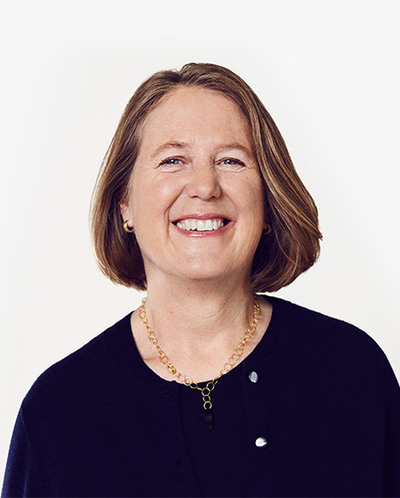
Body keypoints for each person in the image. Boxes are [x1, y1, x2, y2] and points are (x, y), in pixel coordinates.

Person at [2, 63, 400, 497]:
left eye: (231, 161)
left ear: (268, 201)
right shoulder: (58, 413)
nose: (205, 186)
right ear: (125, 204)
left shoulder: (352, 373)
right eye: (173, 161)